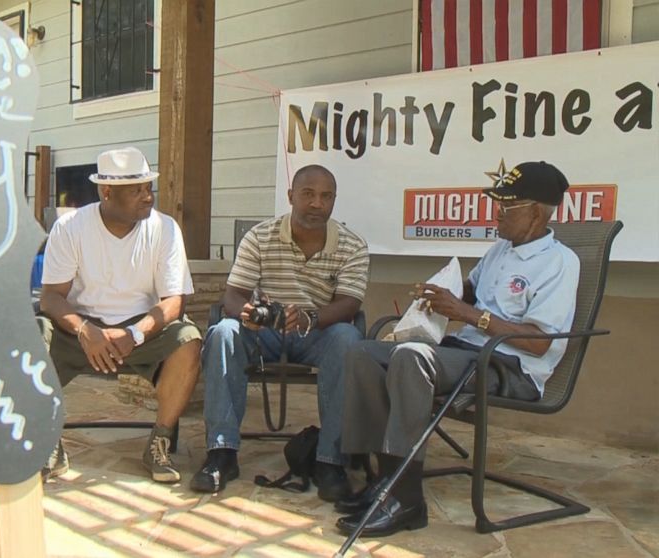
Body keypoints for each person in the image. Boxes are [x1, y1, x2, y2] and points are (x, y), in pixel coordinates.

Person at [335, 161, 580, 537]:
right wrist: (441, 295)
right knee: (363, 354)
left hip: (511, 367)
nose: (496, 213)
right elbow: (473, 292)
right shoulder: (500, 250)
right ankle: (382, 479)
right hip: (465, 352)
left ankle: (406, 500)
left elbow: (538, 340)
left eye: (505, 207)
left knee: (411, 357)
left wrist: (467, 313)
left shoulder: (560, 263)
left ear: (535, 212)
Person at [191, 164, 369, 500]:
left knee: (349, 339)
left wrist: (309, 319)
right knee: (223, 332)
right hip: (265, 333)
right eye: (308, 194)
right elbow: (233, 293)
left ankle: (330, 459)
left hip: (319, 332)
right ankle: (222, 453)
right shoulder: (260, 236)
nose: (317, 203)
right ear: (290, 197)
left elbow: (349, 304)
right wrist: (245, 312)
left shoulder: (352, 245)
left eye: (326, 196)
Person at [38, 146, 202, 484]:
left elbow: (174, 302)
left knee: (188, 341)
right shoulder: (71, 227)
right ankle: (47, 440)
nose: (148, 196)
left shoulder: (165, 228)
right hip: (81, 331)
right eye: (137, 189)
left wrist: (135, 334)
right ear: (106, 192)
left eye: (148, 187)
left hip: (142, 331)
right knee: (34, 335)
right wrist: (85, 330)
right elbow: (51, 299)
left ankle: (159, 442)